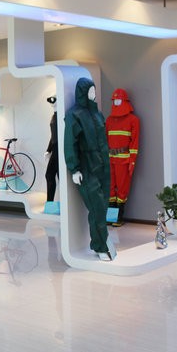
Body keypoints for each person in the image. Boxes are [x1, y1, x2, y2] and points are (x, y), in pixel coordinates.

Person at [64, 77, 115, 261]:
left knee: (104, 205)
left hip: (103, 166)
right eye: (90, 90)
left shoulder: (98, 114)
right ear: (82, 93)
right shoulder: (74, 115)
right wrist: (74, 169)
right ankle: (100, 246)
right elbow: (70, 143)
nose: (94, 93)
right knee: (97, 208)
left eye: (94, 90)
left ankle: (102, 242)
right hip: (87, 168)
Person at [106, 88, 139, 226]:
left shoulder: (133, 120)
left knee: (122, 188)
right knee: (110, 188)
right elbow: (105, 140)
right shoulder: (109, 120)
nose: (116, 102)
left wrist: (132, 161)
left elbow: (134, 142)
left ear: (124, 101)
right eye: (114, 100)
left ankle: (119, 217)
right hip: (110, 159)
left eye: (118, 99)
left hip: (123, 160)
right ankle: (111, 217)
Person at [44, 96, 59, 202]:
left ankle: (66, 206)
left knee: (60, 177)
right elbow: (53, 135)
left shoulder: (61, 115)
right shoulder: (54, 115)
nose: (51, 103)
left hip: (60, 149)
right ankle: (49, 203)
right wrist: (48, 150)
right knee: (49, 175)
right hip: (55, 149)